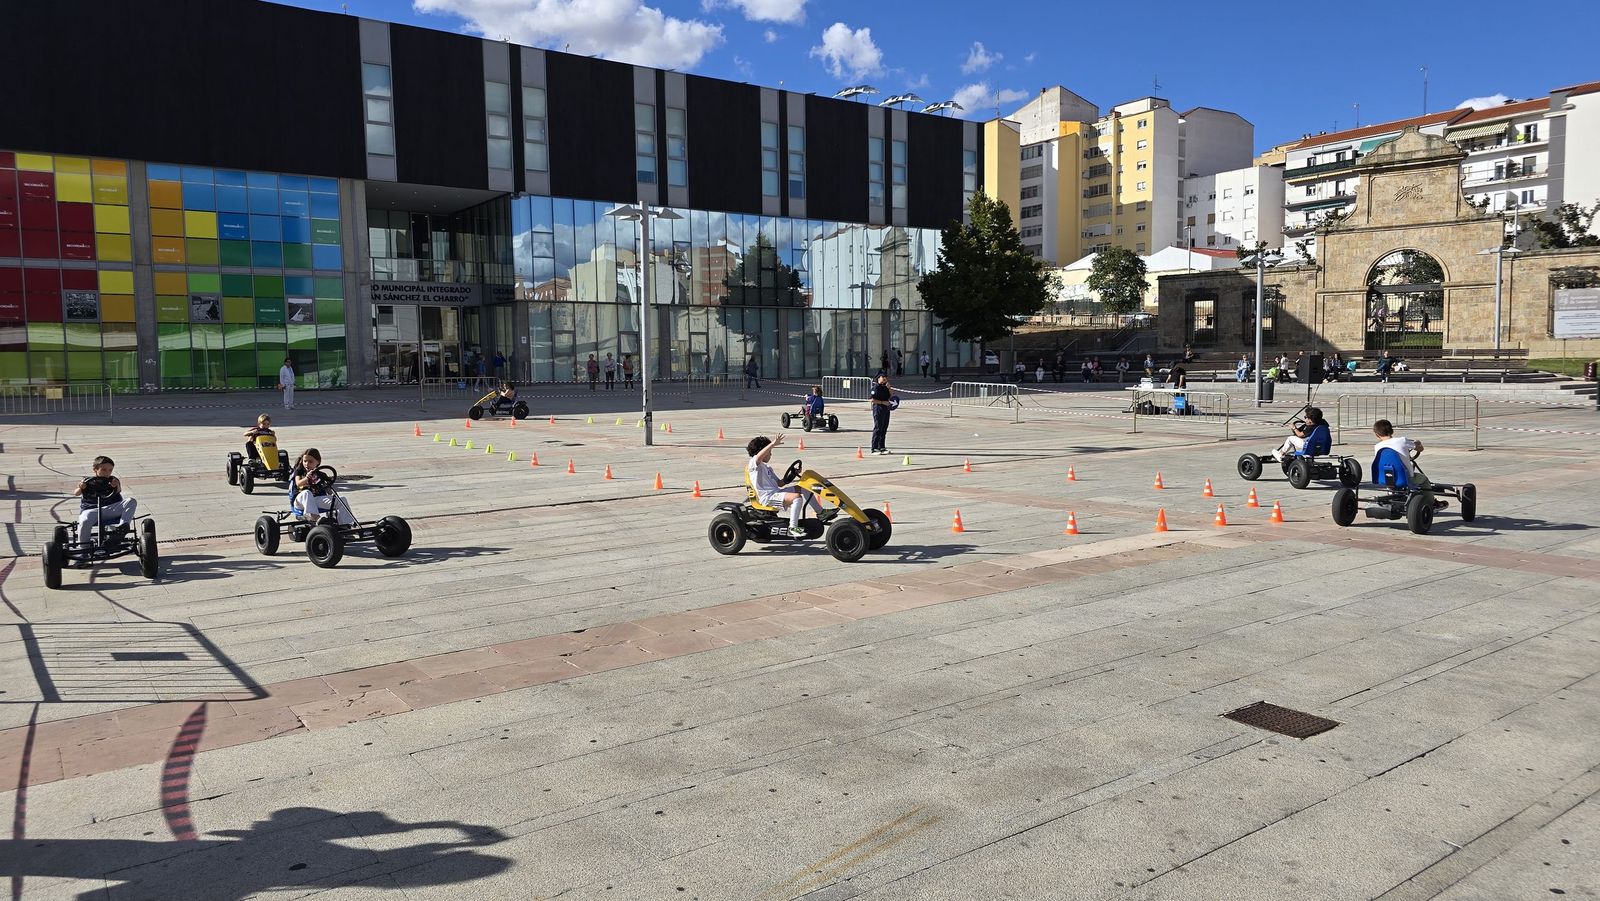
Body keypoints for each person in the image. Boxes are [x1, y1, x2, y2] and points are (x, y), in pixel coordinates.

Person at [747, 433, 822, 538]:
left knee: (804, 488)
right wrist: (773, 444)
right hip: (767, 497)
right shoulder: (753, 463)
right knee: (796, 498)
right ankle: (793, 528)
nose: (771, 454)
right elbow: (759, 457)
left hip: (776, 492)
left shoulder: (767, 468)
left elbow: (780, 483)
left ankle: (820, 512)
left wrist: (792, 474)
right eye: (769, 452)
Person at [74, 456, 137, 551]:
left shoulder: (113, 480)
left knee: (131, 501)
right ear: (95, 469)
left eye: (110, 470)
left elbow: (119, 490)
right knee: (85, 521)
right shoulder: (87, 481)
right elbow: (76, 493)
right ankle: (84, 548)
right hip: (91, 510)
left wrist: (115, 485)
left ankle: (122, 528)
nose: (107, 473)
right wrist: (81, 487)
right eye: (104, 470)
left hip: (111, 508)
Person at [291, 448, 354, 526]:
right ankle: (314, 517)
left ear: (318, 462)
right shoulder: (299, 471)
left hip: (316, 500)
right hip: (301, 501)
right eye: (305, 461)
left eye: (310, 461)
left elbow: (330, 492)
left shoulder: (321, 475)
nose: (307, 464)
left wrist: (328, 486)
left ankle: (346, 524)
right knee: (307, 492)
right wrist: (307, 478)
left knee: (342, 499)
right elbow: (298, 484)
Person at [1372, 419, 1426, 483]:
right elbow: (1420, 449)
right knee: (1425, 480)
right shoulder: (1402, 441)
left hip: (1385, 478)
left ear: (1377, 435)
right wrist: (1418, 443)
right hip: (1406, 478)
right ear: (1392, 431)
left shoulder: (1377, 447)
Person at [869, 373, 895, 455]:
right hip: (878, 408)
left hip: (886, 409)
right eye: (882, 377)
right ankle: (874, 448)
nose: (884, 379)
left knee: (884, 428)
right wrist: (882, 402)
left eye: (885, 378)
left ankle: (882, 446)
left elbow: (891, 396)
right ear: (878, 378)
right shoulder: (876, 387)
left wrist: (889, 388)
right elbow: (872, 400)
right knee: (878, 428)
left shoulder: (885, 387)